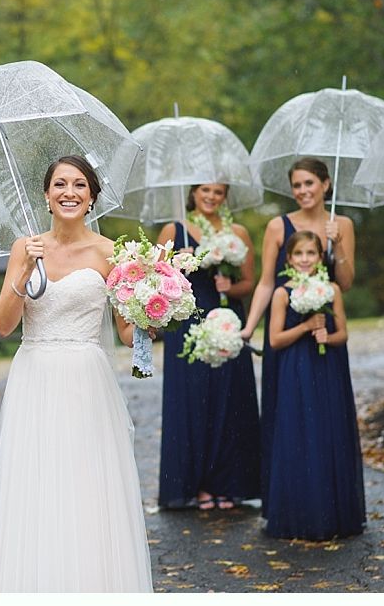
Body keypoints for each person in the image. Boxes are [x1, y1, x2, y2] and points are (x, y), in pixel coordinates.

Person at [0, 155, 152, 592]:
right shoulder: (26, 247)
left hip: (85, 379)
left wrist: (153, 311)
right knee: (35, 482)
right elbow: (2, 325)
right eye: (60, 184)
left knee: (86, 482)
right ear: (46, 194)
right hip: (34, 375)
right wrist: (21, 270)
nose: (69, 192)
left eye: (79, 184)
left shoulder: (111, 252)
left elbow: (126, 330)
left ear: (92, 196)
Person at [239, 157, 355, 518]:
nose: (303, 191)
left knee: (326, 420)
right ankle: (286, 504)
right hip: (286, 334)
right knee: (285, 419)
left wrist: (339, 247)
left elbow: (345, 282)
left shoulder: (343, 224)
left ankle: (329, 503)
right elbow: (265, 283)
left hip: (325, 331)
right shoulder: (278, 225)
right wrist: (249, 327)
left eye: (309, 183)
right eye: (297, 185)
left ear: (325, 184)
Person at [156, 184, 260, 511]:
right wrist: (175, 262)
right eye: (205, 190)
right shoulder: (174, 229)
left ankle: (230, 483)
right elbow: (154, 277)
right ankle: (196, 484)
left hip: (227, 316)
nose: (211, 196)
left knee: (230, 398)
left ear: (225, 195)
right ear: (193, 192)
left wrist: (231, 285)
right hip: (187, 320)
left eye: (218, 191)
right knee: (193, 398)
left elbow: (249, 282)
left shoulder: (237, 232)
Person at [264, 230, 364, 540]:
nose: (305, 260)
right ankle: (301, 513)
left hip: (327, 368)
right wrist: (306, 326)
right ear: (289, 259)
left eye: (311, 253)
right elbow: (275, 339)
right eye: (299, 254)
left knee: (328, 431)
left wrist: (328, 336)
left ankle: (335, 513)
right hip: (296, 370)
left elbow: (343, 333)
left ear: (321, 257)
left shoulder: (332, 289)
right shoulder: (282, 293)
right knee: (300, 433)